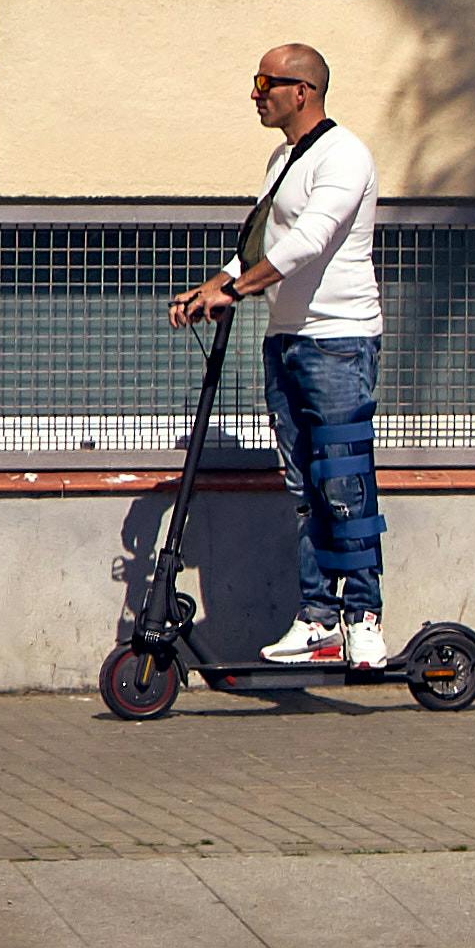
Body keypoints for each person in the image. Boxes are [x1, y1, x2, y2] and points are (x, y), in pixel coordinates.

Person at [168, 39, 386, 674]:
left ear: (303, 91)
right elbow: (268, 242)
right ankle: (319, 619)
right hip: (286, 338)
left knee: (343, 480)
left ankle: (363, 617)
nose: (255, 94)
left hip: (339, 341)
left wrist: (237, 286)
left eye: (265, 82)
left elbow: (313, 240)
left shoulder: (346, 155)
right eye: (254, 80)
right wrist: (216, 284)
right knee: (303, 485)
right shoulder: (282, 158)